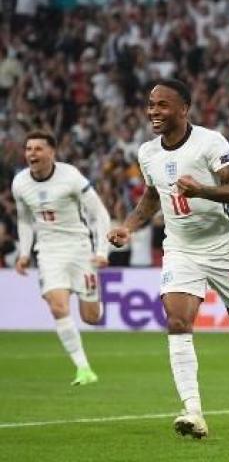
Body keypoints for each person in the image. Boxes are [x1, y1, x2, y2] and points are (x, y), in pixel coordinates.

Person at [107, 79, 229, 439]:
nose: (154, 112)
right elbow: (153, 197)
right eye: (151, 104)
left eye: (162, 105)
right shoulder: (148, 152)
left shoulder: (210, 143)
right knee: (178, 322)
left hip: (222, 247)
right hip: (180, 248)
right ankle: (193, 412)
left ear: (184, 109)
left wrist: (203, 190)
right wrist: (129, 226)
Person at [11, 129, 110, 386]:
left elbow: (99, 214)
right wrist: (24, 254)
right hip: (48, 252)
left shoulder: (71, 176)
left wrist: (101, 251)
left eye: (38, 148)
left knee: (92, 317)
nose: (32, 153)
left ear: (52, 152)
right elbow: (24, 220)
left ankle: (94, 294)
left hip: (79, 249)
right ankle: (84, 369)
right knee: (58, 307)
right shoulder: (20, 183)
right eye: (28, 149)